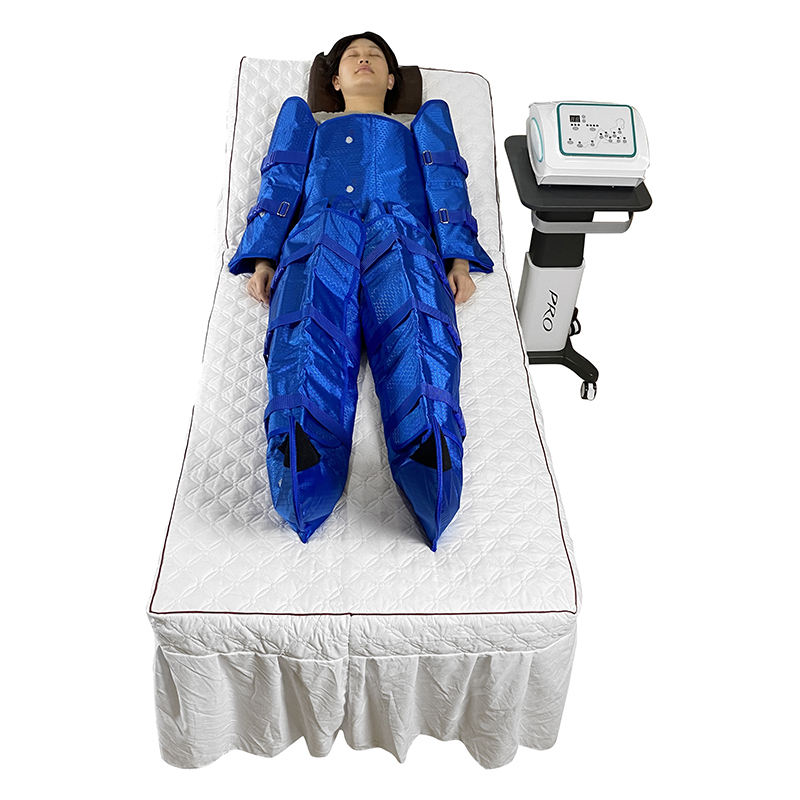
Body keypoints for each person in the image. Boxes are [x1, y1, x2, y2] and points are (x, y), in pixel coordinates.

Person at [228, 31, 493, 549]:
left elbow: (445, 184)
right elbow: (281, 180)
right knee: (308, 328)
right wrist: (264, 257)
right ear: (335, 80)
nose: (364, 60)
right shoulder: (306, 121)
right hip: (321, 231)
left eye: (375, 56)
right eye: (353, 56)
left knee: (419, 328)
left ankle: (430, 451)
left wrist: (457, 259)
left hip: (402, 233)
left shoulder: (421, 124)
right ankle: (303, 453)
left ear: (392, 80)